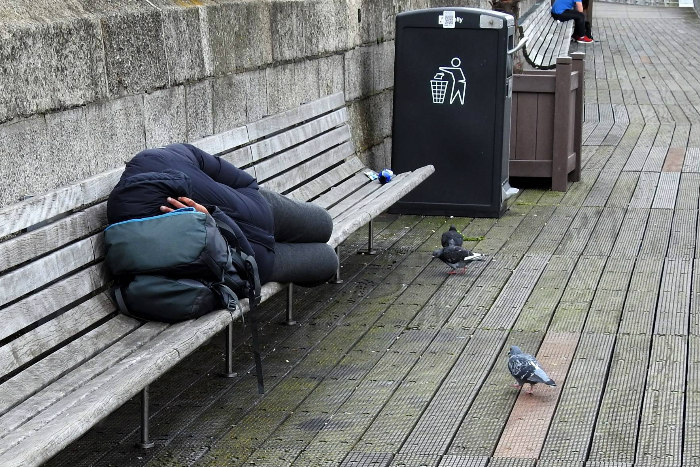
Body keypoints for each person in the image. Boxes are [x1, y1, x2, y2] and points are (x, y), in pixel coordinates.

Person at [106, 143, 339, 287]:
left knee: (324, 223)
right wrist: (212, 220)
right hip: (254, 262)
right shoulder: (144, 223)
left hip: (263, 211)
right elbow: (198, 266)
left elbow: (241, 179)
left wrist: (243, 199)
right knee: (328, 260)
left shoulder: (162, 158)